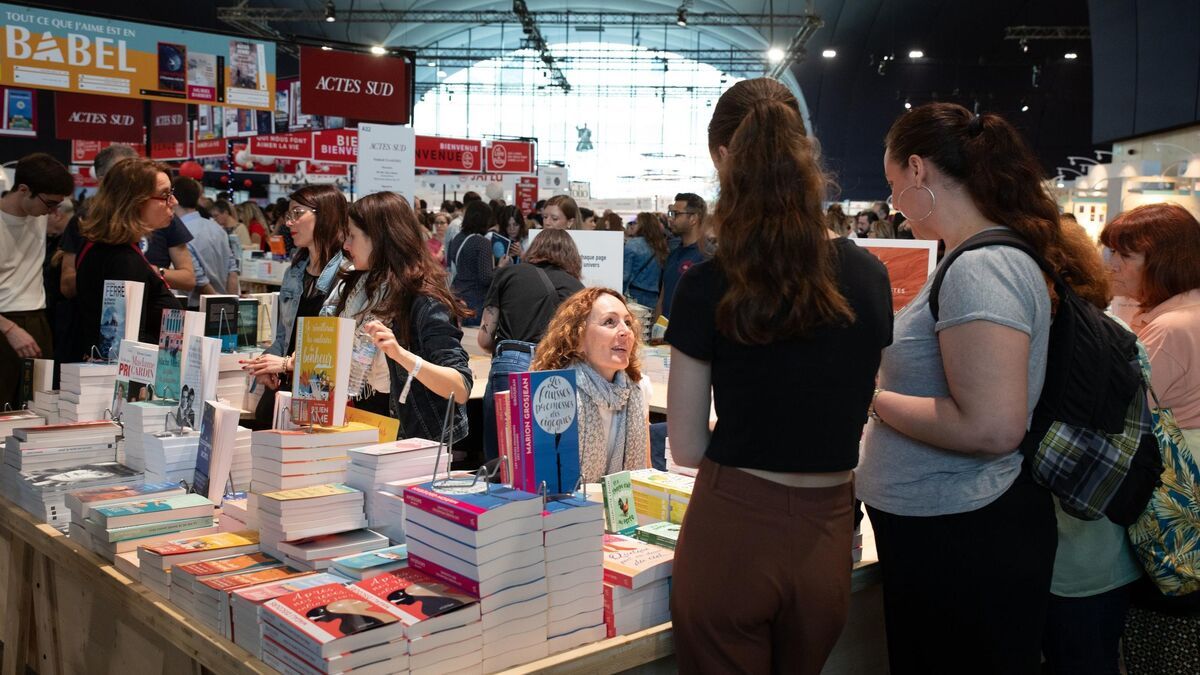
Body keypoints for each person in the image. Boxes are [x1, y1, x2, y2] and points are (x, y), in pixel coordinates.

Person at [856, 102, 1111, 674]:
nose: (894, 204)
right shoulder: (978, 258)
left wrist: (868, 398)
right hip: (955, 529)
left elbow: (992, 426)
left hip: (963, 535)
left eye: (894, 184)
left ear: (919, 171)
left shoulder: (983, 267)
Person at [665, 77, 892, 675]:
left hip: (733, 528)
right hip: (829, 535)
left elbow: (686, 446)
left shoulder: (707, 283)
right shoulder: (869, 276)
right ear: (804, 153)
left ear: (721, 158)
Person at [1099, 203, 1200, 675]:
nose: (1113, 265)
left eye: (1127, 256)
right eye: (1112, 252)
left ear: (1165, 260)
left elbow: (1117, 414)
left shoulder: (1170, 327)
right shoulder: (1185, 312)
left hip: (1171, 503)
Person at [354, 193, 473, 441]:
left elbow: (460, 387)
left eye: (352, 236)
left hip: (415, 446)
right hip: (372, 431)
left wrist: (401, 355)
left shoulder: (425, 301)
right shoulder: (366, 292)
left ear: (379, 240)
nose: (345, 244)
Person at [241, 185, 346, 429]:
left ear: (325, 215)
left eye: (297, 213)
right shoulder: (295, 272)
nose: (290, 223)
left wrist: (286, 363)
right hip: (283, 390)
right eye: (288, 215)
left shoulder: (346, 276)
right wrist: (266, 361)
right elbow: (283, 336)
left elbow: (335, 347)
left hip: (319, 393)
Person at [478, 229, 585, 461]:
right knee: (545, 459)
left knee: (502, 458)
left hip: (511, 362)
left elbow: (484, 339)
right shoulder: (578, 290)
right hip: (558, 369)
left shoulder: (509, 274)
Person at [530, 287, 651, 482]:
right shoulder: (555, 393)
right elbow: (543, 480)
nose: (625, 332)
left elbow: (645, 472)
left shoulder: (639, 388)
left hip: (621, 509)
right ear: (577, 338)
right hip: (568, 508)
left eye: (628, 323)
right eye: (609, 322)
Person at [69, 158, 182, 362]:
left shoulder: (104, 248)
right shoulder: (121, 259)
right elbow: (122, 344)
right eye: (165, 195)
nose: (174, 202)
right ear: (135, 202)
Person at [61, 144, 199, 299]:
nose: (173, 202)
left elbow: (188, 278)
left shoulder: (165, 221)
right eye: (164, 194)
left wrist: (150, 271)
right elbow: (68, 285)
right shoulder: (119, 256)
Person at [0, 153, 73, 408]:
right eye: (50, 203)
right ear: (23, 190)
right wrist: (9, 329)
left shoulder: (39, 217)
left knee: (37, 409)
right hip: (6, 323)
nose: (53, 212)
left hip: (38, 321)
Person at [173, 177, 239, 308]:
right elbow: (232, 269)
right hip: (223, 303)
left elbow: (199, 279)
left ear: (174, 199)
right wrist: (231, 304)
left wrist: (216, 303)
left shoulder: (180, 231)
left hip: (196, 308)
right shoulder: (217, 228)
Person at [656, 192, 708, 323]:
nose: (670, 219)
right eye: (670, 214)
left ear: (693, 219)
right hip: (664, 335)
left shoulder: (707, 256)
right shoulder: (673, 254)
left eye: (676, 214)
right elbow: (662, 297)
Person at [446, 201, 494, 326]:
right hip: (476, 301)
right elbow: (486, 278)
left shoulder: (457, 238)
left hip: (457, 296)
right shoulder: (482, 243)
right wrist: (501, 268)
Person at [623, 212, 669, 309]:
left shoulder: (632, 244)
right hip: (654, 297)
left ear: (643, 225)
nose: (632, 226)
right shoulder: (660, 246)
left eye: (635, 223)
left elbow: (625, 276)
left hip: (634, 296)